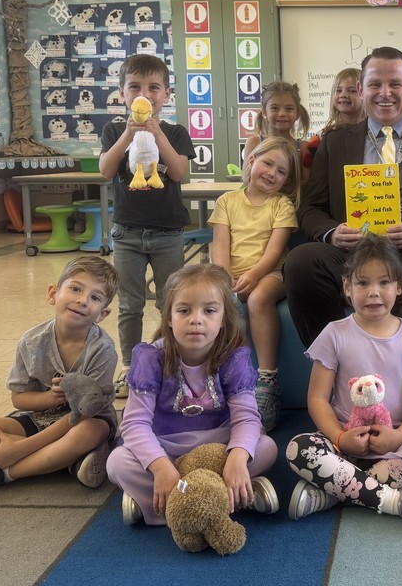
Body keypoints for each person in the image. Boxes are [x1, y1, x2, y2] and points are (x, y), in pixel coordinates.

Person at [283, 46, 402, 404]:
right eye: (375, 84)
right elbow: (311, 209)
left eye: (395, 83)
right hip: (351, 255)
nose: (385, 93)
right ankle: (342, 386)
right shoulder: (335, 142)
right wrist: (331, 232)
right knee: (302, 262)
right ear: (361, 88)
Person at [285, 235, 402, 528]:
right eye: (363, 283)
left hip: (395, 440)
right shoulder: (334, 333)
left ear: (399, 286)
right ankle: (392, 500)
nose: (374, 292)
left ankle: (335, 490)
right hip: (343, 442)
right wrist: (338, 437)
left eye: (384, 282)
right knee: (298, 448)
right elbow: (318, 399)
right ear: (347, 287)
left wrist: (399, 437)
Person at [0, 256, 120, 498]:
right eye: (75, 288)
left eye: (95, 297)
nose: (82, 300)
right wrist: (52, 398)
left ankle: (5, 473)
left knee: (90, 433)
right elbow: (19, 399)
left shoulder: (102, 349)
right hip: (41, 420)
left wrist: (19, 449)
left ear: (102, 314)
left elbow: (85, 412)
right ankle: (68, 461)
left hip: (84, 421)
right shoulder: (31, 342)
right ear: (53, 294)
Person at [107, 264, 279, 526]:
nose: (195, 319)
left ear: (223, 319)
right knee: (118, 463)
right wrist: (161, 467)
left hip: (217, 446)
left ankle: (163, 503)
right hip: (166, 447)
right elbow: (134, 424)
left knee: (266, 447)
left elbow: (246, 419)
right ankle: (230, 500)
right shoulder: (151, 358)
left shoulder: (234, 359)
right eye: (184, 310)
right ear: (169, 318)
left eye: (209, 311)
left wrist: (236, 459)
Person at [99, 53, 195, 398]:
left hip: (168, 232)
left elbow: (180, 172)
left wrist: (156, 132)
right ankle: (129, 366)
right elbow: (107, 169)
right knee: (129, 305)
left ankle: (171, 361)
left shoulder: (176, 132)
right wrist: (128, 134)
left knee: (169, 302)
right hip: (126, 233)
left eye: (154, 87)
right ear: (123, 94)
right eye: (136, 86)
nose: (146, 93)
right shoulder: (113, 129)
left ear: (166, 95)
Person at [209, 137, 300, 431]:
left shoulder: (281, 204)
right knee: (226, 302)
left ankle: (267, 380)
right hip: (232, 275)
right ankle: (239, 378)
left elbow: (274, 251)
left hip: (272, 273)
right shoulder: (227, 201)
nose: (272, 173)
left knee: (259, 298)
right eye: (267, 163)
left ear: (287, 180)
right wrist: (225, 280)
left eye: (281, 171)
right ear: (251, 162)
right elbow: (220, 246)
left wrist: (255, 275)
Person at [242, 81, 312, 181]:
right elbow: (247, 179)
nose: (282, 113)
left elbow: (309, 185)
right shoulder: (254, 143)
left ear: (297, 114)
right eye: (275, 108)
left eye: (289, 109)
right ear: (264, 112)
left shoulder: (303, 148)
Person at [320, 67, 365, 134]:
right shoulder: (326, 134)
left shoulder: (374, 132)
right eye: (339, 90)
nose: (343, 95)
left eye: (352, 91)